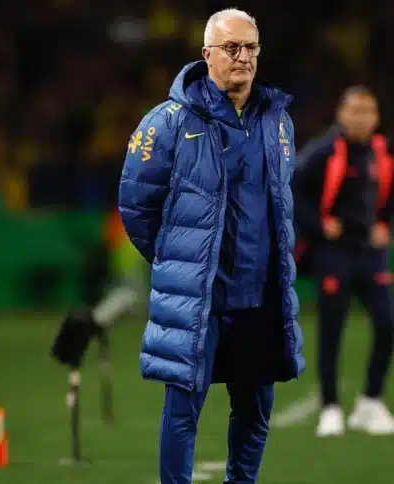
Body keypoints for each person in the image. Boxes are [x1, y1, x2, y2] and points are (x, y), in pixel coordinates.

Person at [118, 8, 305, 484]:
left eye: (251, 47)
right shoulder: (168, 122)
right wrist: (180, 261)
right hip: (200, 297)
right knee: (183, 411)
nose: (243, 57)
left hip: (258, 296)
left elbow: (279, 206)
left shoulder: (277, 121)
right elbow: (136, 206)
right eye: (231, 48)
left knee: (255, 411)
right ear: (207, 55)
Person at [293, 86, 394, 437]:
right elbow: (294, 189)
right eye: (354, 111)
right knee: (331, 329)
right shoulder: (323, 151)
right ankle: (330, 407)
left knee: (388, 322)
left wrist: (387, 226)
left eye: (368, 111)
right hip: (334, 253)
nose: (361, 118)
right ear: (340, 114)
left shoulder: (382, 152)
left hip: (371, 253)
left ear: (376, 118)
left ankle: (371, 402)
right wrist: (318, 225)